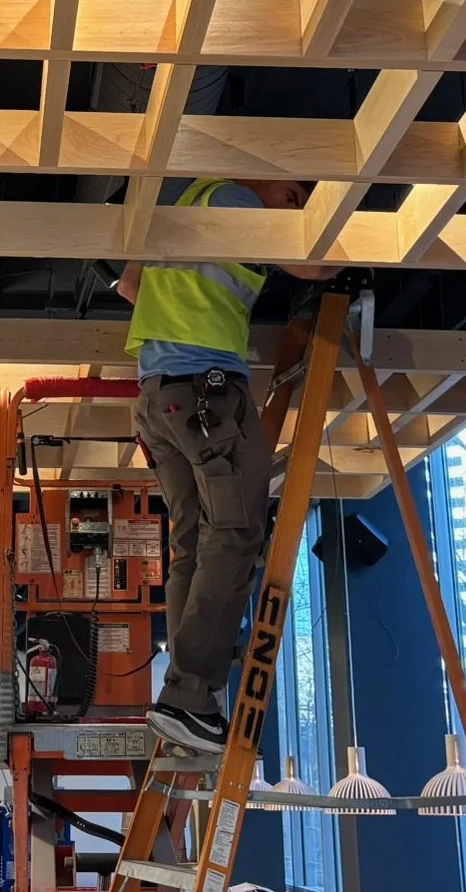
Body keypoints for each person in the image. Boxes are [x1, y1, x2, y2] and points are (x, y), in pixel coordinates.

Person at [116, 177, 331, 749]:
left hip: (161, 396)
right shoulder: (236, 200)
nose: (292, 210)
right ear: (277, 180)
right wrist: (351, 261)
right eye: (294, 199)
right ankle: (189, 695)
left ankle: (189, 695)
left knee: (195, 541)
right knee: (233, 532)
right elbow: (307, 262)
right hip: (206, 394)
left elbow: (131, 286)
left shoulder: (181, 206)